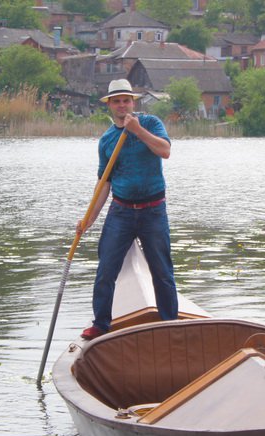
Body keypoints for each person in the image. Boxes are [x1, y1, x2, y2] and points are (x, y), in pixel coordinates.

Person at [77, 79, 178, 340]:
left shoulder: (151, 123)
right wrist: (88, 219)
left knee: (162, 271)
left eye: (126, 100)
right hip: (121, 212)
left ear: (133, 102)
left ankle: (170, 324)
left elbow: (165, 151)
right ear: (110, 105)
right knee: (105, 270)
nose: (122, 105)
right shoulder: (107, 140)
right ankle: (100, 324)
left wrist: (138, 131)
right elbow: (104, 182)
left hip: (153, 211)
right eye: (116, 101)